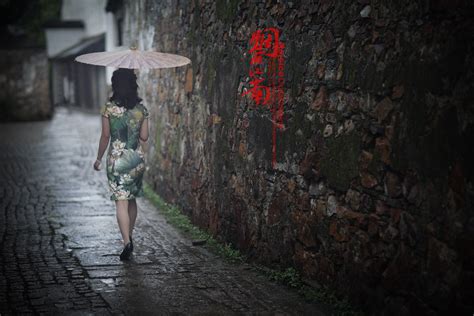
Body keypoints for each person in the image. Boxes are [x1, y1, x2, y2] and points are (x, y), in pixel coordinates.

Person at [93, 68, 149, 261]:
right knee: (132, 199)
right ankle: (130, 236)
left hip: (116, 161)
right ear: (134, 85)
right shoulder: (141, 109)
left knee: (121, 200)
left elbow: (105, 136)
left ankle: (126, 242)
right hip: (135, 159)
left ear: (115, 84)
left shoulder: (108, 108)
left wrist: (99, 158)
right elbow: (144, 137)